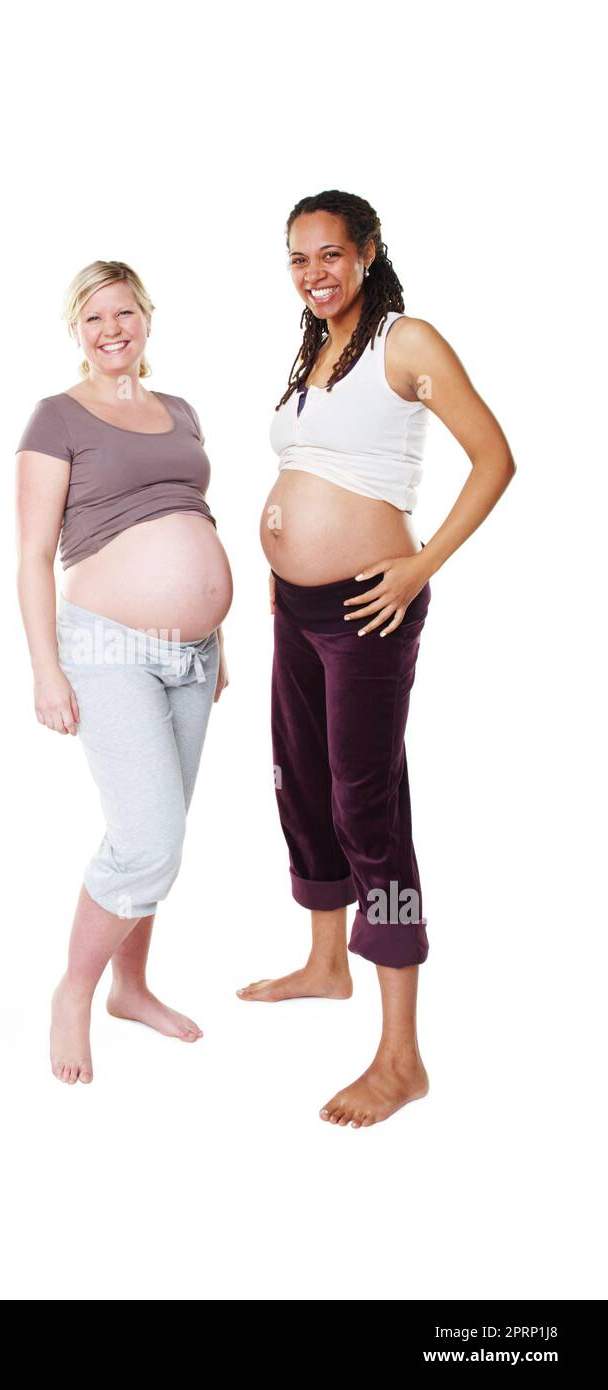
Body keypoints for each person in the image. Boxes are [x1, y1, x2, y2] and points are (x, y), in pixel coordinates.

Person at [239, 191, 516, 1127]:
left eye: (330, 255)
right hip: (299, 607)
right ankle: (325, 964)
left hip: (368, 608)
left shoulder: (407, 341)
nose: (314, 273)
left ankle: (401, 1057)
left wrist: (419, 566)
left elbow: (495, 459)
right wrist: (279, 563)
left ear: (365, 254)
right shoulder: (314, 352)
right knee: (300, 784)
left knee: (369, 804)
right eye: (298, 259)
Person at [15, 260, 233, 1085]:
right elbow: (34, 553)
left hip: (194, 653)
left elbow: (191, 515)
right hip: (107, 645)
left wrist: (219, 634)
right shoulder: (56, 418)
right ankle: (76, 990)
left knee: (160, 832)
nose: (113, 329)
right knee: (149, 837)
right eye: (95, 317)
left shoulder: (180, 411)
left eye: (125, 313)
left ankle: (131, 987)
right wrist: (45, 668)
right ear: (76, 329)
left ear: (147, 317)